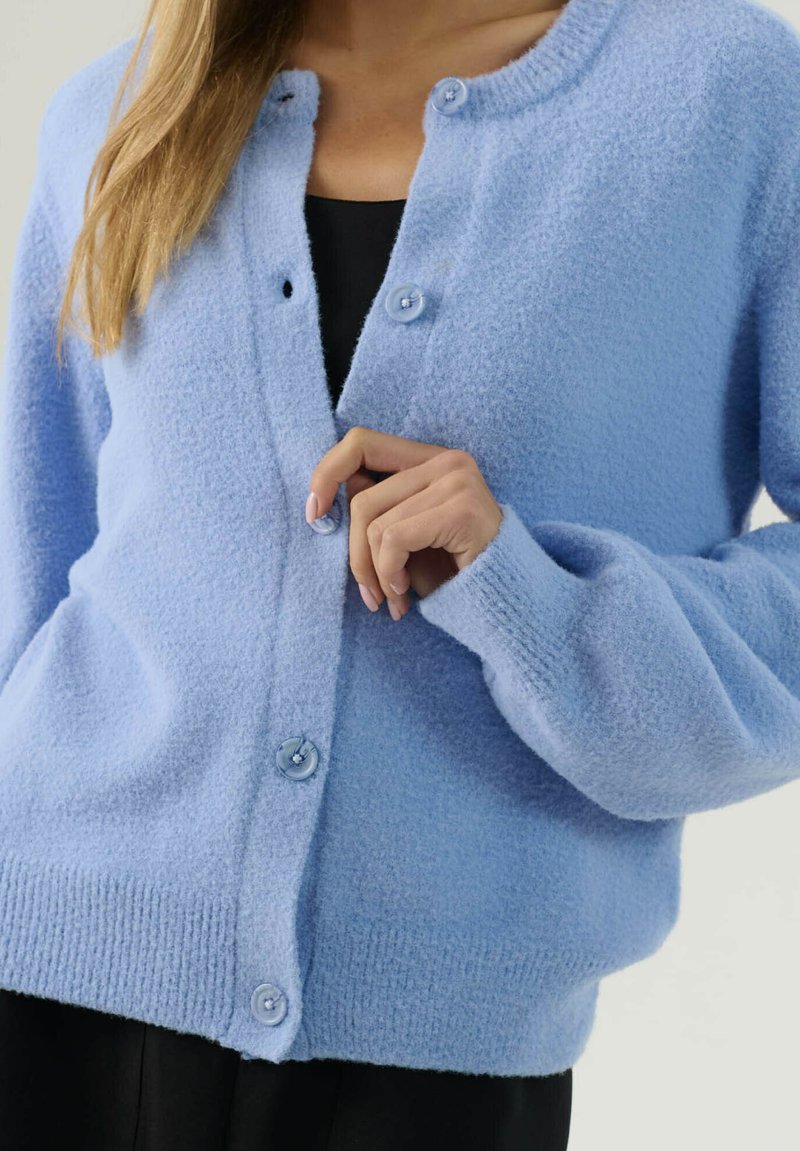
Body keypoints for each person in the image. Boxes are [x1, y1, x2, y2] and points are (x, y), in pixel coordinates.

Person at [1, 0, 799, 1146]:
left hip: (441, 1050)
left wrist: (535, 601)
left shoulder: (723, 97)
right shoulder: (121, 113)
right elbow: (36, 561)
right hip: (46, 966)